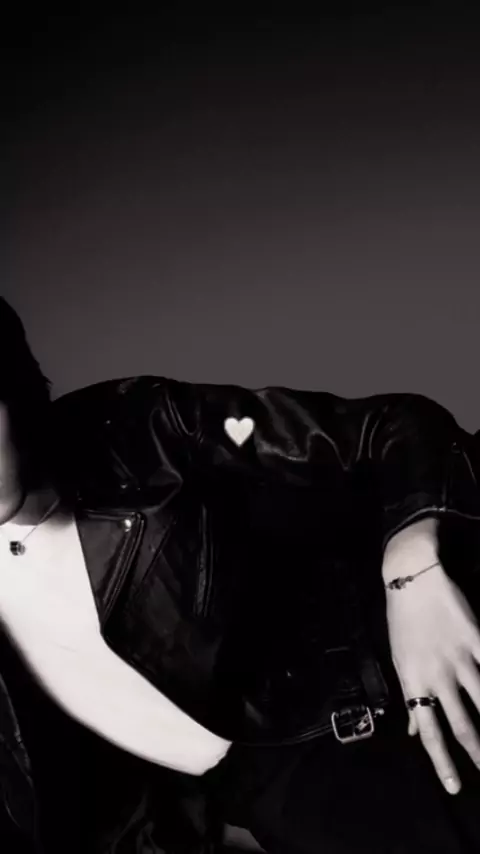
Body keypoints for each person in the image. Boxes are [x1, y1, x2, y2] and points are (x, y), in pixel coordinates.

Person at [1, 296, 480, 853]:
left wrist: (412, 567)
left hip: (405, 688)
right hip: (297, 810)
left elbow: (392, 429)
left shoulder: (135, 430)